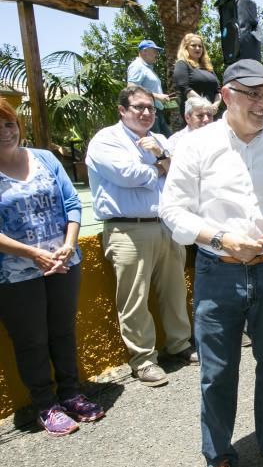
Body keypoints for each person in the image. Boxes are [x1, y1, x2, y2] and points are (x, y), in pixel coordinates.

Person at [158, 58, 263, 467]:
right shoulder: (195, 146)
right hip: (217, 271)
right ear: (226, 95)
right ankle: (218, 461)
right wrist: (221, 237)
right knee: (217, 372)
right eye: (252, 94)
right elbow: (174, 211)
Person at [0, 98, 105, 436]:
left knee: (62, 331)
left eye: (9, 124)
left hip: (63, 262)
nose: (5, 132)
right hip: (15, 274)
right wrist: (33, 254)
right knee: (31, 339)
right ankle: (45, 404)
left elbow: (72, 202)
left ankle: (71, 393)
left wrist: (69, 244)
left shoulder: (44, 158)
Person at [85, 85, 195, 387]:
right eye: (138, 107)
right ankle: (143, 359)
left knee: (175, 290)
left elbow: (182, 171)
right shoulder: (106, 140)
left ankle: (180, 343)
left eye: (150, 107)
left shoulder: (159, 139)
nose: (146, 113)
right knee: (134, 297)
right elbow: (129, 175)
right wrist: (161, 166)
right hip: (127, 228)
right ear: (122, 111)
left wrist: (162, 158)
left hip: (166, 224)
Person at [172, 34, 221, 122]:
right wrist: (205, 106)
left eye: (200, 46)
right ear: (186, 48)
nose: (197, 48)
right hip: (195, 114)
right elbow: (185, 88)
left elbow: (218, 90)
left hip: (212, 113)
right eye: (193, 45)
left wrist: (215, 105)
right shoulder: (182, 64)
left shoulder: (208, 67)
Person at [127, 40, 172, 136]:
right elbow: (131, 88)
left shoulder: (147, 68)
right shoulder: (137, 66)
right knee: (157, 144)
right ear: (144, 51)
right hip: (147, 113)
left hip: (156, 113)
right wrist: (158, 97)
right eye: (154, 51)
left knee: (168, 143)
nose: (157, 54)